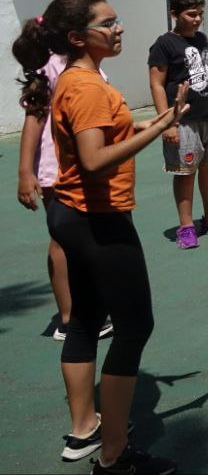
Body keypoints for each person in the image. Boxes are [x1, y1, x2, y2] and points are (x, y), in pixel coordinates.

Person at [28, 0, 187, 472]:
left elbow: (96, 135)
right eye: (108, 23)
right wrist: (156, 132)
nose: (118, 29)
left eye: (117, 20)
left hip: (71, 214)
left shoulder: (79, 79)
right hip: (97, 219)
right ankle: (115, 457)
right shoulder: (89, 86)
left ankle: (85, 429)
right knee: (135, 325)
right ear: (78, 37)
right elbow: (95, 161)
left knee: (84, 319)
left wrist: (156, 119)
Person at [13, 24, 114, 344]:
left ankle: (86, 307)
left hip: (81, 164)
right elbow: (35, 118)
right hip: (57, 168)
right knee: (63, 239)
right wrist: (25, 173)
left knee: (84, 237)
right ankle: (69, 318)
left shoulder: (80, 65)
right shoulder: (53, 68)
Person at [147, 0, 208, 251]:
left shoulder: (202, 39)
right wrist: (168, 122)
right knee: (185, 173)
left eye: (200, 14)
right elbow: (156, 84)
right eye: (191, 14)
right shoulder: (164, 44)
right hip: (183, 121)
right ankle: (186, 226)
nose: (197, 19)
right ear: (174, 14)